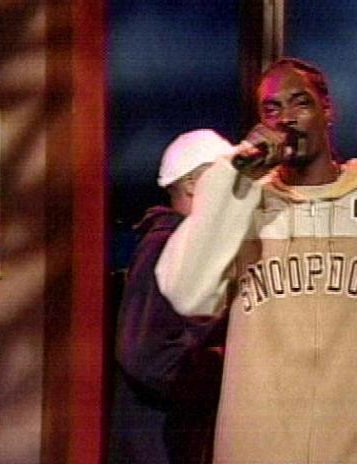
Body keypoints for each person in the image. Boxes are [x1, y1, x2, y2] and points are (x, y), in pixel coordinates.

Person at [156, 58, 357, 464]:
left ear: (327, 109)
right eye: (272, 109)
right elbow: (187, 294)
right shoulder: (243, 206)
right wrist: (235, 178)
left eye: (300, 102)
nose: (286, 118)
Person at [108, 129, 233, 464]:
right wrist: (223, 368)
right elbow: (145, 356)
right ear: (192, 184)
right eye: (224, 177)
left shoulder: (186, 245)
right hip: (158, 443)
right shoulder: (166, 246)